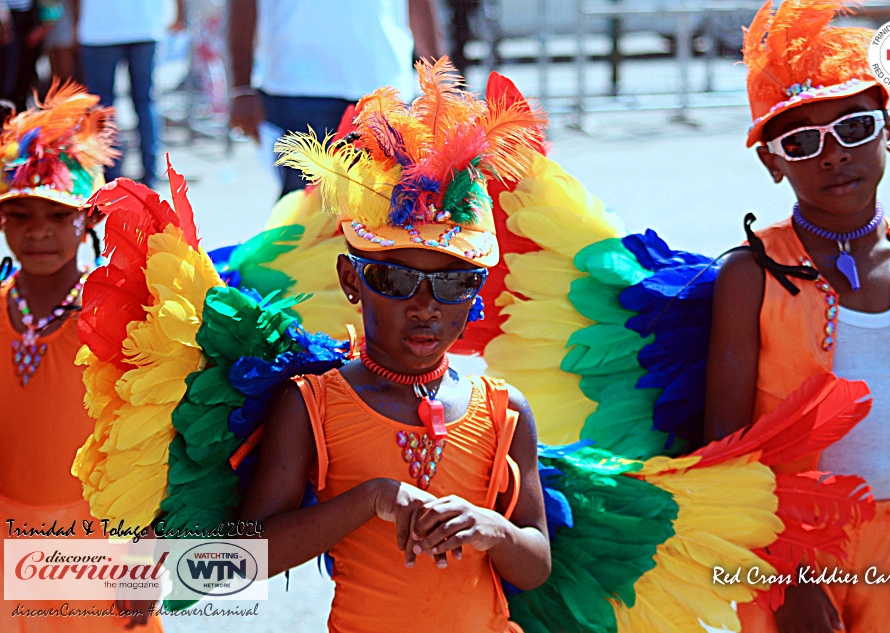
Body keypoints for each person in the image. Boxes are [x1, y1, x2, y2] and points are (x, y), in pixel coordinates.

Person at [240, 59, 552, 632]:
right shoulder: (311, 405)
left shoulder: (506, 410)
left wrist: (494, 529)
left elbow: (535, 564)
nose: (425, 305)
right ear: (350, 280)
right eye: (396, 278)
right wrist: (371, 499)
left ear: (477, 289)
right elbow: (242, 562)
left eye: (454, 281)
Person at [703, 1, 890, 632]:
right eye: (802, 141)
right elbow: (725, 449)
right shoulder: (750, 274)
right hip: (788, 555)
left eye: (854, 127)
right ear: (772, 162)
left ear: (889, 129)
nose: (834, 154)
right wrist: (788, 578)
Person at [0, 81, 161, 632]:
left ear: (89, 219)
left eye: (56, 215)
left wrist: (144, 557)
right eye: (19, 215)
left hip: (95, 547)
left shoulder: (122, 320)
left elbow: (150, 440)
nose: (37, 232)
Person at [227, 0, 444, 198]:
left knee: (386, 222)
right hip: (299, 91)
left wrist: (439, 83)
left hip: (384, 88)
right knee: (306, 223)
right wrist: (241, 87)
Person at [76, 0, 185, 188]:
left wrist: (76, 20)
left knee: (103, 105)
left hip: (99, 27)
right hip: (144, 24)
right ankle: (151, 171)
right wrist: (180, 14)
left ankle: (108, 174)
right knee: (145, 101)